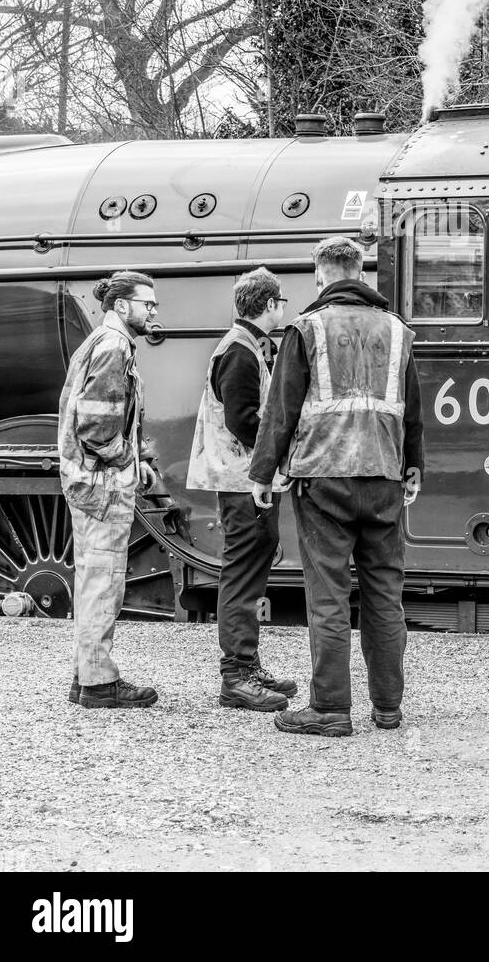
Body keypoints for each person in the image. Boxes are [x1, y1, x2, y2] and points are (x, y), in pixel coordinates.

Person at [249, 235, 425, 738]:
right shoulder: (398, 330)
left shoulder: (307, 328)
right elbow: (412, 408)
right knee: (384, 596)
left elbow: (282, 409)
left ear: (321, 276)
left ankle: (329, 708)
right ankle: (388, 707)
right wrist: (414, 466)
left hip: (323, 479)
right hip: (386, 478)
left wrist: (263, 472)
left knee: (328, 596)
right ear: (360, 271)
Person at [187, 268, 297, 712]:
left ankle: (246, 665)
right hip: (241, 482)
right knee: (242, 574)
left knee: (249, 571)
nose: (283, 308)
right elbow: (244, 419)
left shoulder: (245, 346)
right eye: (281, 302)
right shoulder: (240, 352)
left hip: (245, 480)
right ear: (270, 305)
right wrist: (276, 458)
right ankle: (236, 675)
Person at [58, 271, 160, 709]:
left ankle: (86, 678)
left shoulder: (97, 341)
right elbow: (97, 424)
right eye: (147, 303)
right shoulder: (115, 346)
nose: (153, 310)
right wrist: (127, 461)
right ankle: (99, 685)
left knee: (92, 581)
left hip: (85, 481)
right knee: (104, 583)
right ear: (122, 305)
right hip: (102, 485)